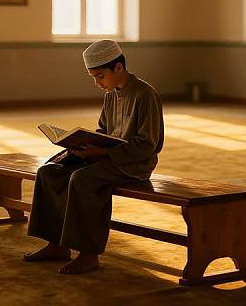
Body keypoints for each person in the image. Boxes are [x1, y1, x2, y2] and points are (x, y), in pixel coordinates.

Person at [23, 39, 164, 274]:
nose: (98, 83)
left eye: (100, 76)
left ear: (118, 68)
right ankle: (56, 244)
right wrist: (82, 145)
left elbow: (147, 146)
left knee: (83, 179)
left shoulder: (145, 95)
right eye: (94, 78)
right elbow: (103, 131)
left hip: (133, 164)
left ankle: (89, 254)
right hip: (105, 157)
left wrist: (103, 152)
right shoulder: (111, 95)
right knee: (49, 172)